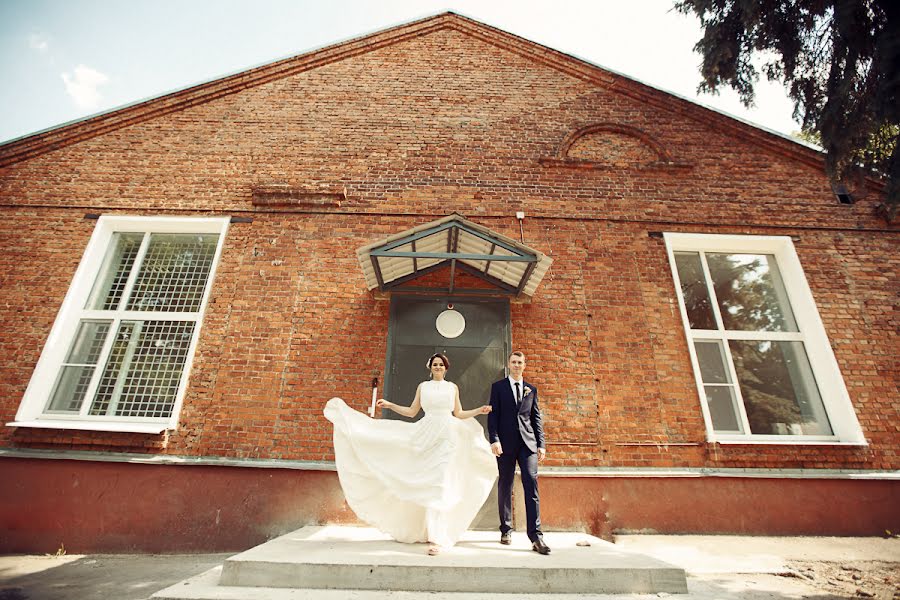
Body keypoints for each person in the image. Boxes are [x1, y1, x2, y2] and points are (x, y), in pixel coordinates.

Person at [323, 353, 496, 555]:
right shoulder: (424, 387)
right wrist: (390, 405)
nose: (438, 367)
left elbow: (458, 413)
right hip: (426, 434)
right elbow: (412, 412)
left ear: (446, 368)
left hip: (448, 437)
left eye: (441, 365)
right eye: (435, 364)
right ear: (430, 367)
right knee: (428, 484)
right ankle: (426, 531)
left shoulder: (452, 388)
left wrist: (478, 411)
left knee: (440, 484)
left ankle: (438, 539)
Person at [487, 350, 550, 555]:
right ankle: (506, 529)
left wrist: (541, 444)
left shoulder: (531, 389)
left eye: (519, 362)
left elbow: (535, 419)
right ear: (509, 364)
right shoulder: (498, 388)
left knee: (531, 482)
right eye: (513, 362)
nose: (516, 365)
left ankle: (536, 536)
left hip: (528, 444)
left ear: (524, 365)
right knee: (505, 483)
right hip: (505, 444)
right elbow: (493, 417)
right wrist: (494, 440)